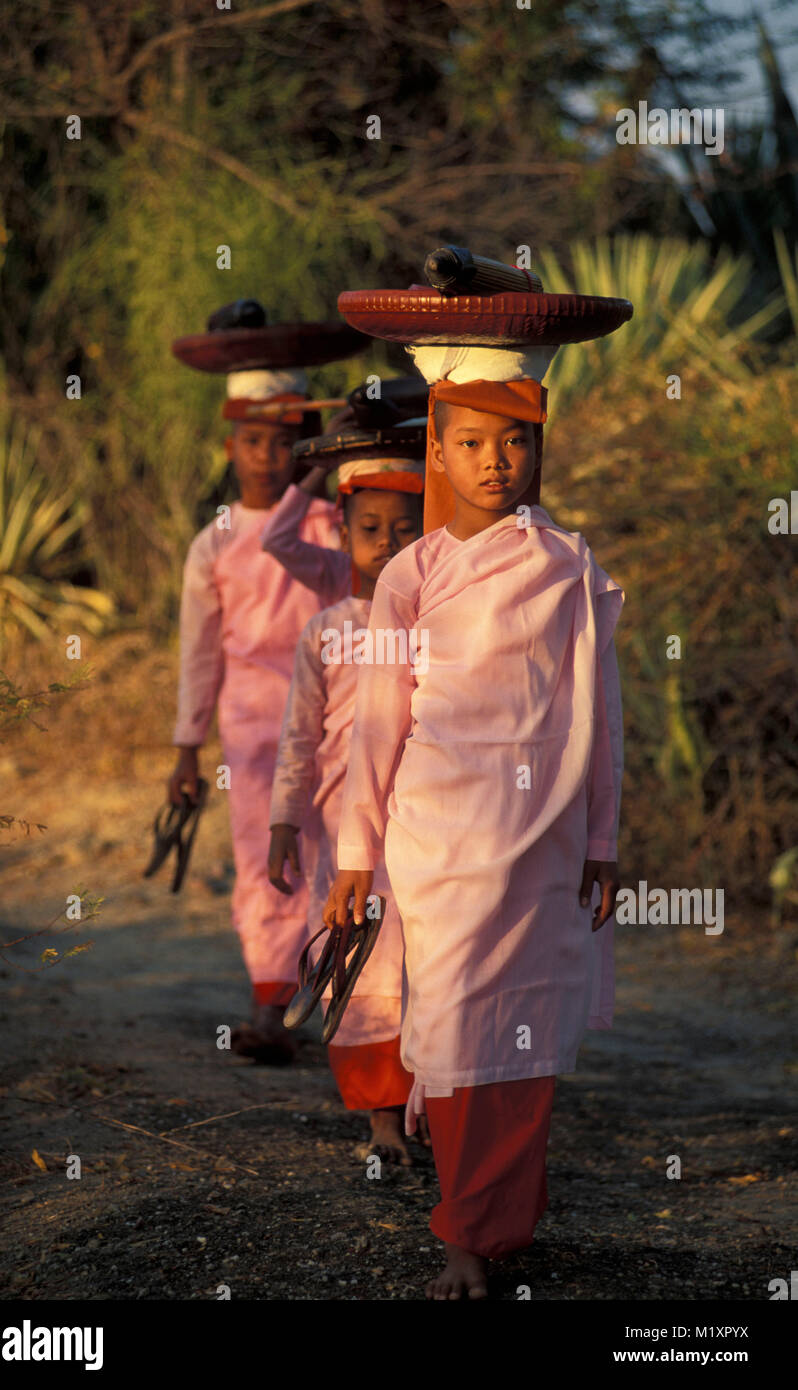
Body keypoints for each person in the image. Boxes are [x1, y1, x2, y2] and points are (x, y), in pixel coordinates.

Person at [323, 269, 630, 1297]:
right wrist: (357, 854)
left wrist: (601, 839)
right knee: (454, 1028)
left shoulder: (571, 567)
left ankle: (501, 1221)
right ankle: (465, 1227)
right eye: (471, 442)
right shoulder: (413, 576)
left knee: (526, 1032)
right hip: (439, 841)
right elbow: (377, 723)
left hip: (541, 841)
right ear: (437, 448)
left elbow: (600, 710)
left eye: (515, 441)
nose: (494, 462)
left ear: (539, 446)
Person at [169, 319, 358, 1063]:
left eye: (286, 440)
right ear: (231, 447)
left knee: (342, 852)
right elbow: (198, 652)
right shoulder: (214, 540)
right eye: (254, 440)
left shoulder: (332, 522)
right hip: (249, 731)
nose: (269, 454)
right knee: (264, 858)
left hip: (336, 718)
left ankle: (347, 1003)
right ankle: (273, 1004)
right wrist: (187, 749)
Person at [265, 425, 427, 1162]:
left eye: (404, 529)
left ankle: (435, 1106)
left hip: (425, 825)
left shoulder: (441, 627)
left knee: (424, 961)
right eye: (370, 530)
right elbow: (298, 739)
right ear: (344, 532)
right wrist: (282, 823)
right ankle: (381, 1123)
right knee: (355, 962)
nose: (387, 543)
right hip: (340, 830)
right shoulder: (327, 631)